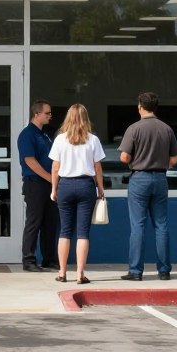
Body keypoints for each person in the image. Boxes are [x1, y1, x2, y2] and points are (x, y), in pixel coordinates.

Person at [119, 92, 177, 281]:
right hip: (161, 179)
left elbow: (124, 157)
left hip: (139, 178)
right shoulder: (166, 129)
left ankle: (136, 271)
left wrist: (136, 161)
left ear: (140, 107)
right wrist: (162, 164)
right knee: (161, 225)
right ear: (156, 107)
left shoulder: (134, 129)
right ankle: (164, 270)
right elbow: (174, 158)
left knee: (138, 225)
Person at [49, 104, 105, 284]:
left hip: (65, 185)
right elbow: (97, 167)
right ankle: (80, 273)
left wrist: (54, 189)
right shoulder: (93, 140)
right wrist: (100, 189)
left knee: (65, 231)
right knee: (83, 233)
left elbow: (55, 167)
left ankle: (62, 272)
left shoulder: (60, 139)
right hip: (85, 185)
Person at [17, 99, 58, 272]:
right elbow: (30, 161)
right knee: (34, 221)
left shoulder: (46, 134)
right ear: (37, 114)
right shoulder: (27, 134)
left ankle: (49, 259)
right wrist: (50, 178)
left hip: (50, 184)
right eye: (47, 113)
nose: (50, 116)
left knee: (50, 222)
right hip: (35, 183)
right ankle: (29, 259)